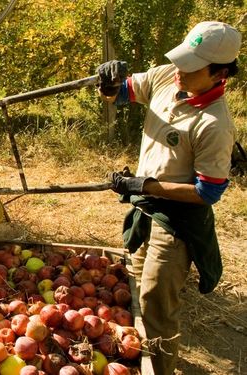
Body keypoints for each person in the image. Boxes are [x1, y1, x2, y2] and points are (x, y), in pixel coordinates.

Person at [97, 21, 241, 375]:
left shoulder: (214, 124)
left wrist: (145, 186)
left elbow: (207, 192)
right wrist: (109, 82)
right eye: (181, 59)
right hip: (145, 207)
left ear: (219, 73)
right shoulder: (167, 77)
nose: (180, 70)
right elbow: (120, 94)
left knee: (156, 304)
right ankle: (139, 355)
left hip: (175, 222)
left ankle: (159, 368)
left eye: (192, 65)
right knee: (136, 287)